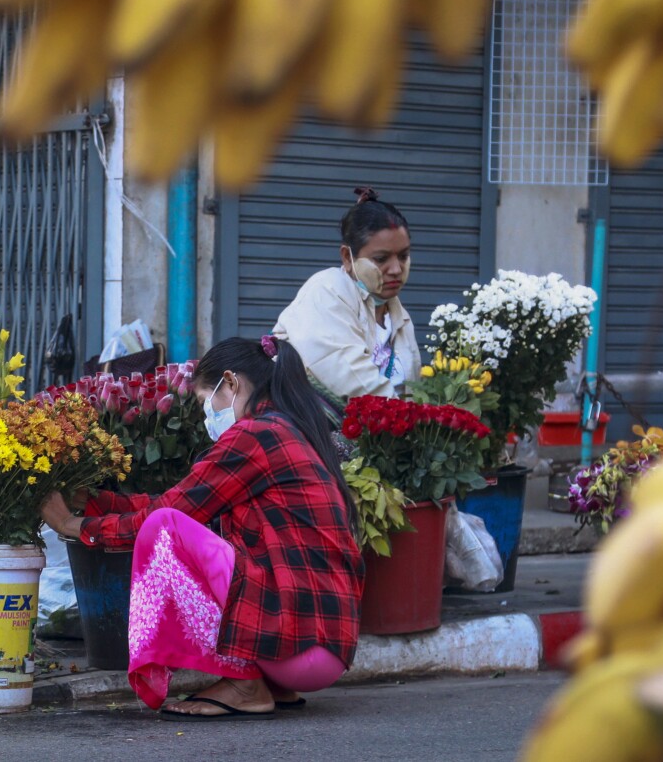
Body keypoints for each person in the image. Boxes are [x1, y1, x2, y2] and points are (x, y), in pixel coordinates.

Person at [39, 336, 363, 721]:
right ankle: (266, 682)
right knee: (172, 523)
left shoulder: (255, 435)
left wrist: (72, 525)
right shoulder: (289, 431)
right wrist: (95, 504)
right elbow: (186, 501)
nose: (206, 415)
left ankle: (244, 684)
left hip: (297, 648)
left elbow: (167, 516)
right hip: (321, 648)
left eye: (204, 401)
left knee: (165, 529)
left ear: (231, 383)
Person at [273, 187, 421, 403]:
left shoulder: (398, 316)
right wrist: (411, 424)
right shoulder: (327, 290)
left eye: (403, 256)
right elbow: (354, 382)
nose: (396, 269)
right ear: (346, 257)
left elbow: (411, 391)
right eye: (381, 259)